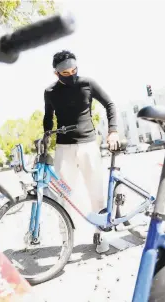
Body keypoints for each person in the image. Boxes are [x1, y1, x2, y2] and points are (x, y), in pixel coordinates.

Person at [43, 50, 119, 254]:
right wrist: (46, 136)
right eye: (66, 73)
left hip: (88, 145)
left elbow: (110, 104)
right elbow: (48, 117)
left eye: (74, 70)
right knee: (61, 195)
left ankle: (100, 233)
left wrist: (113, 132)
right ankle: (66, 239)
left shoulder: (88, 84)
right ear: (56, 73)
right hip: (63, 148)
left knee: (96, 192)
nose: (72, 74)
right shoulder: (50, 92)